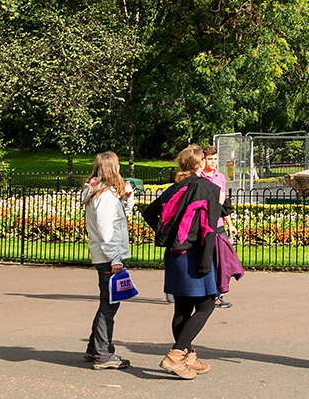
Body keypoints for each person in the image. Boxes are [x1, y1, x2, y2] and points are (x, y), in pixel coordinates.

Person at [142, 144, 226, 380]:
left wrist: (165, 235)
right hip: (197, 253)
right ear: (200, 164)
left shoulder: (175, 187)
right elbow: (210, 229)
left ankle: (187, 355)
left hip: (175, 252)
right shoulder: (208, 188)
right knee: (207, 304)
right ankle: (176, 354)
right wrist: (206, 261)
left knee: (182, 306)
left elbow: (149, 212)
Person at [82, 151, 134, 370]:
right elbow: (106, 231)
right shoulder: (103, 196)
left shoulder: (103, 192)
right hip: (108, 257)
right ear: (112, 168)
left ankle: (95, 348)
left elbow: (123, 215)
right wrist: (115, 258)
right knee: (109, 305)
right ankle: (103, 353)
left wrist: (127, 196)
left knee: (108, 302)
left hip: (105, 255)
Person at [201, 146, 234, 309]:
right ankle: (208, 294)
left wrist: (230, 223)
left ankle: (217, 295)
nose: (213, 162)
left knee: (221, 260)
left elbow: (223, 204)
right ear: (203, 160)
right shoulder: (198, 178)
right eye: (210, 159)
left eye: (215, 159)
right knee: (207, 261)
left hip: (218, 225)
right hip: (204, 225)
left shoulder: (220, 177)